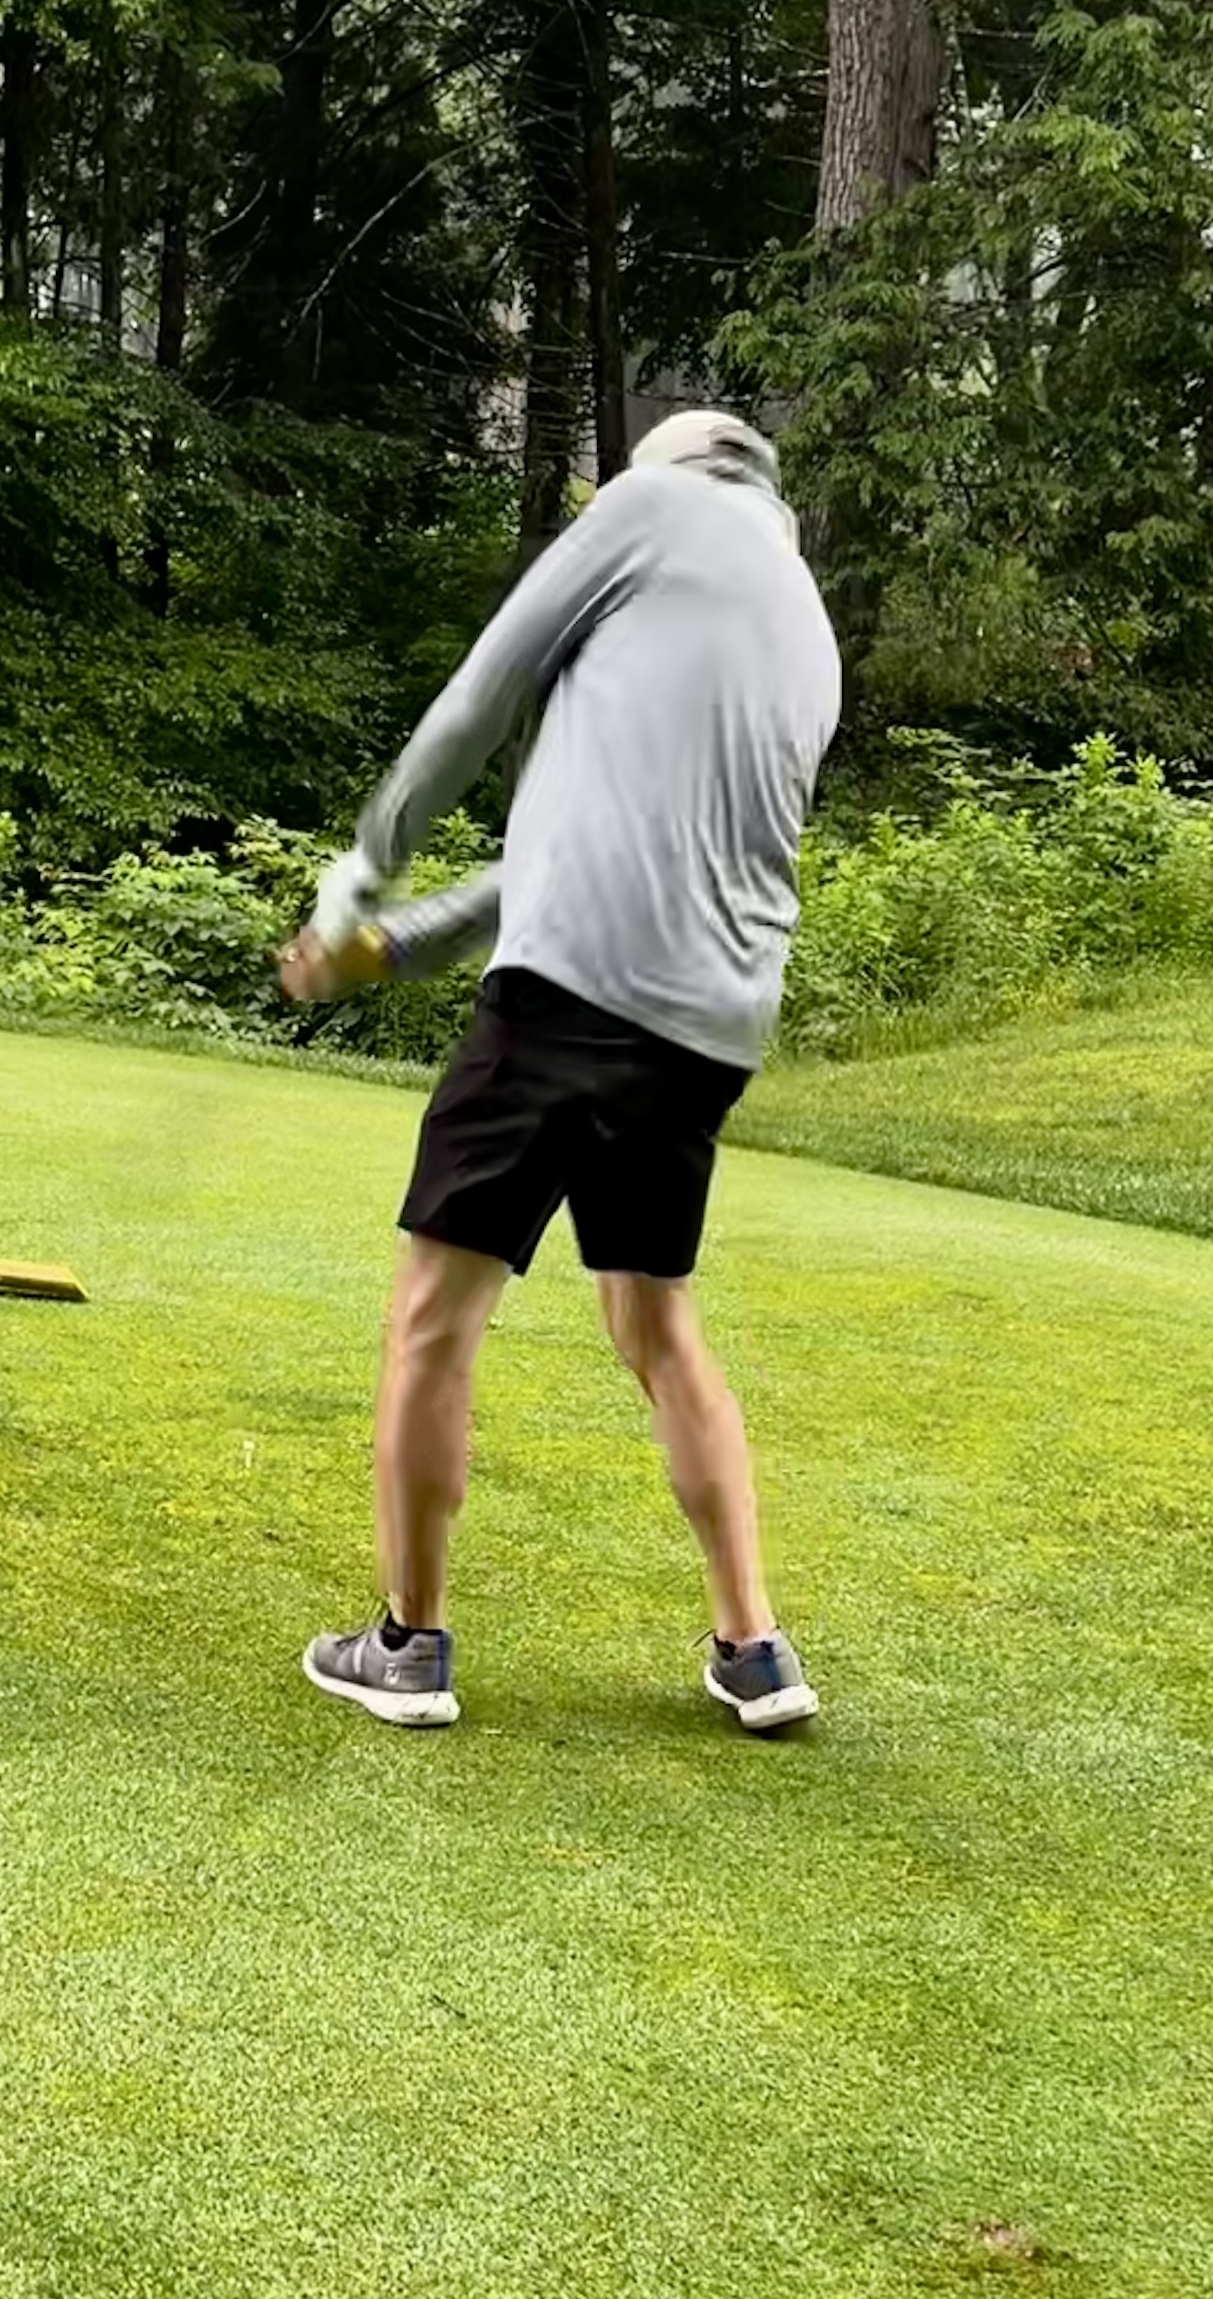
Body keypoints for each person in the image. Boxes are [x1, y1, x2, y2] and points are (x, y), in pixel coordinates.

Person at [280, 407, 841, 1733]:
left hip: (570, 997)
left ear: (663, 472)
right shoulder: (808, 632)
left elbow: (478, 699)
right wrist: (387, 951)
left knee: (434, 1312)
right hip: (707, 1034)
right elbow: (584, 847)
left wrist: (359, 874)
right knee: (654, 1322)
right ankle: (754, 1651)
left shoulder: (646, 515)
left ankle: (409, 1644)